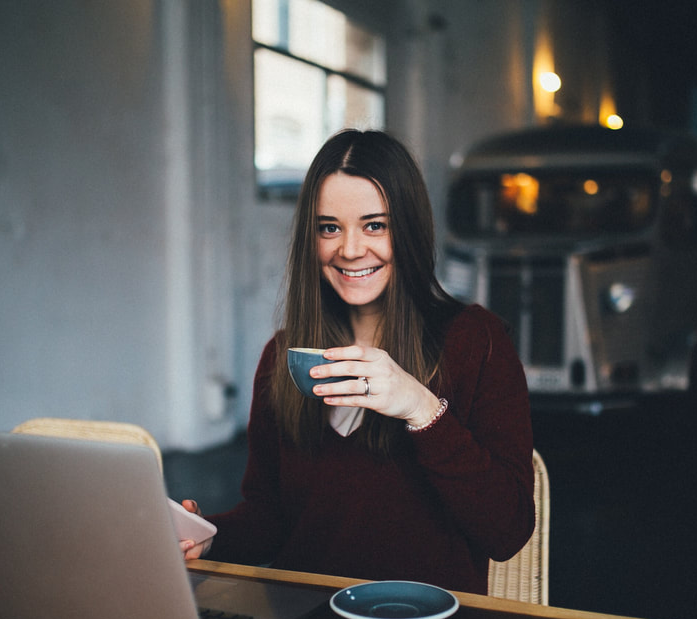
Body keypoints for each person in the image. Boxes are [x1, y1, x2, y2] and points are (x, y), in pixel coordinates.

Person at [178, 129, 534, 594]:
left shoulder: (476, 342)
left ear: (408, 229)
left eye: (374, 225)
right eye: (330, 227)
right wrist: (207, 538)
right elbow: (270, 518)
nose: (349, 249)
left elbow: (507, 531)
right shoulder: (282, 357)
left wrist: (420, 408)